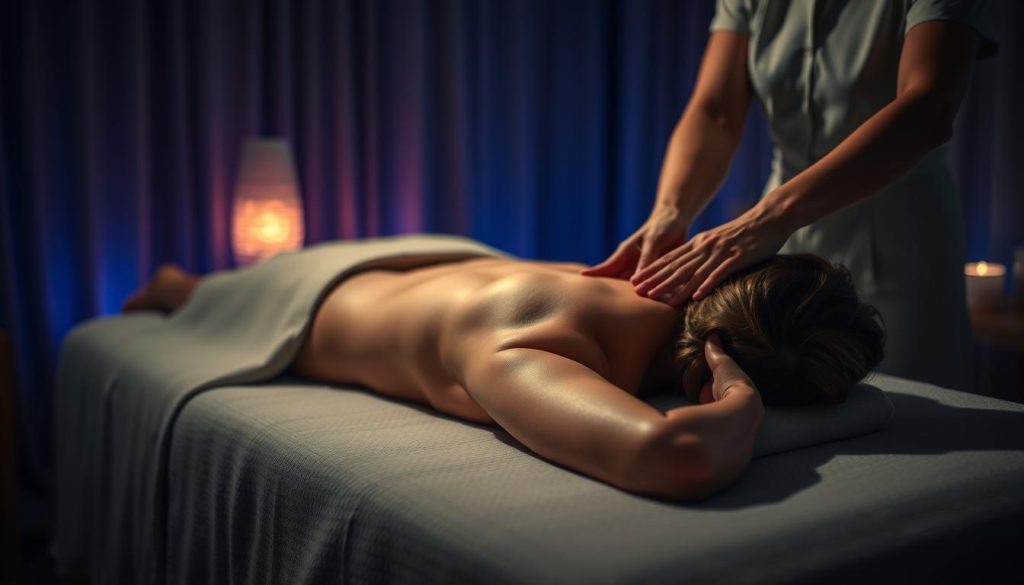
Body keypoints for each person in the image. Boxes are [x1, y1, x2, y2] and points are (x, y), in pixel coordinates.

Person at [123, 250, 883, 500]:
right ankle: (172, 285)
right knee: (203, 294)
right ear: (713, 354)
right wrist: (742, 395)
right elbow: (673, 454)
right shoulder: (528, 350)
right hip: (313, 297)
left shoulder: (647, 290)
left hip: (435, 259)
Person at [584, 1, 996, 392]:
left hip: (897, 231)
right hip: (776, 236)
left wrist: (769, 218)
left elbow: (928, 106)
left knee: (915, 412)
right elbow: (715, 111)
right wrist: (669, 211)